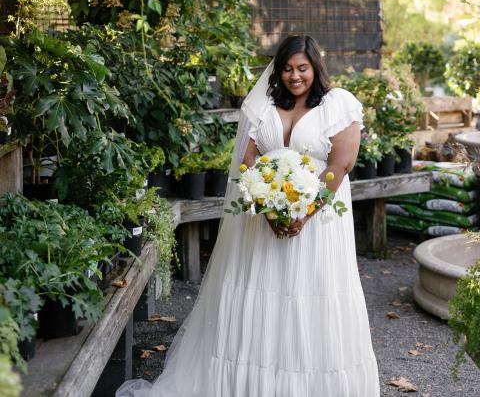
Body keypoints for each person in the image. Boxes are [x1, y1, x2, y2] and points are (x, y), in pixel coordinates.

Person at [117, 35, 380, 397]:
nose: (294, 76)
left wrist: (303, 214)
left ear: (315, 68)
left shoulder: (338, 104)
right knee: (261, 298)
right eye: (287, 68)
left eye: (302, 68)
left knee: (308, 296)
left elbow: (341, 164)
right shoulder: (264, 105)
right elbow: (248, 161)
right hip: (261, 221)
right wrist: (267, 207)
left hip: (319, 225)